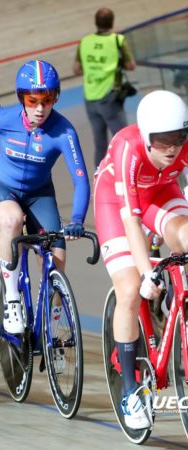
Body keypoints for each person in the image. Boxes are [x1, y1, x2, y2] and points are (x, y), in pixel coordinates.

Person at [0, 60, 90, 335]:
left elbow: (80, 179)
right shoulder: (5, 118)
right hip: (0, 187)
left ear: (55, 97)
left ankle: (51, 333)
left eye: (47, 100)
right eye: (33, 101)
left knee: (57, 261)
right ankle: (11, 299)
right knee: (11, 220)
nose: (40, 108)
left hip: (39, 195)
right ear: (22, 98)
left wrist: (77, 219)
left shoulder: (64, 132)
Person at [93, 90, 188, 430]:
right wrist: (147, 272)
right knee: (131, 288)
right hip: (115, 203)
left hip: (161, 193)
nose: (172, 148)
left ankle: (177, 298)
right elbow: (131, 221)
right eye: (162, 140)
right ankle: (130, 392)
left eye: (179, 137)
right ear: (146, 136)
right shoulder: (127, 148)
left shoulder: (181, 146)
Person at [73, 7, 136, 171]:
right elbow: (131, 65)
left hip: (90, 97)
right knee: (123, 139)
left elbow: (77, 69)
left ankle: (99, 176)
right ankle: (127, 172)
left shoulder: (85, 41)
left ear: (96, 23)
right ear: (112, 22)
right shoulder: (117, 40)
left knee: (100, 143)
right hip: (109, 98)